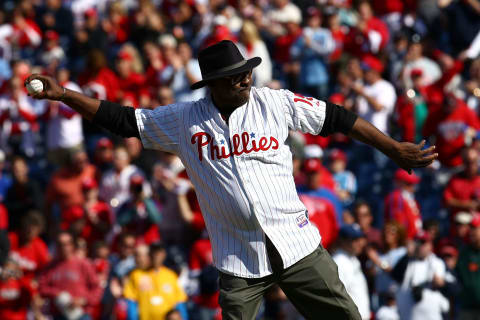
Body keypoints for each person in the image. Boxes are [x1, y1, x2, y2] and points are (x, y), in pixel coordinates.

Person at [26, 40, 437, 320]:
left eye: (246, 71)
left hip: (297, 245)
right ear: (215, 84)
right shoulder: (184, 119)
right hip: (238, 258)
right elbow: (122, 119)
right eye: (236, 75)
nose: (246, 78)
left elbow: (339, 118)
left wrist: (393, 148)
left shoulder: (274, 103)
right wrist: (65, 95)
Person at [332, 224, 371, 320]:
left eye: (360, 239)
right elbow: (337, 297)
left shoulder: (352, 258)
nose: (360, 243)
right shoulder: (339, 262)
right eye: (355, 240)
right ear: (343, 241)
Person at [456, 213, 480, 320]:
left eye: (475, 228)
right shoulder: (464, 253)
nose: (471, 231)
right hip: (467, 309)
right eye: (470, 228)